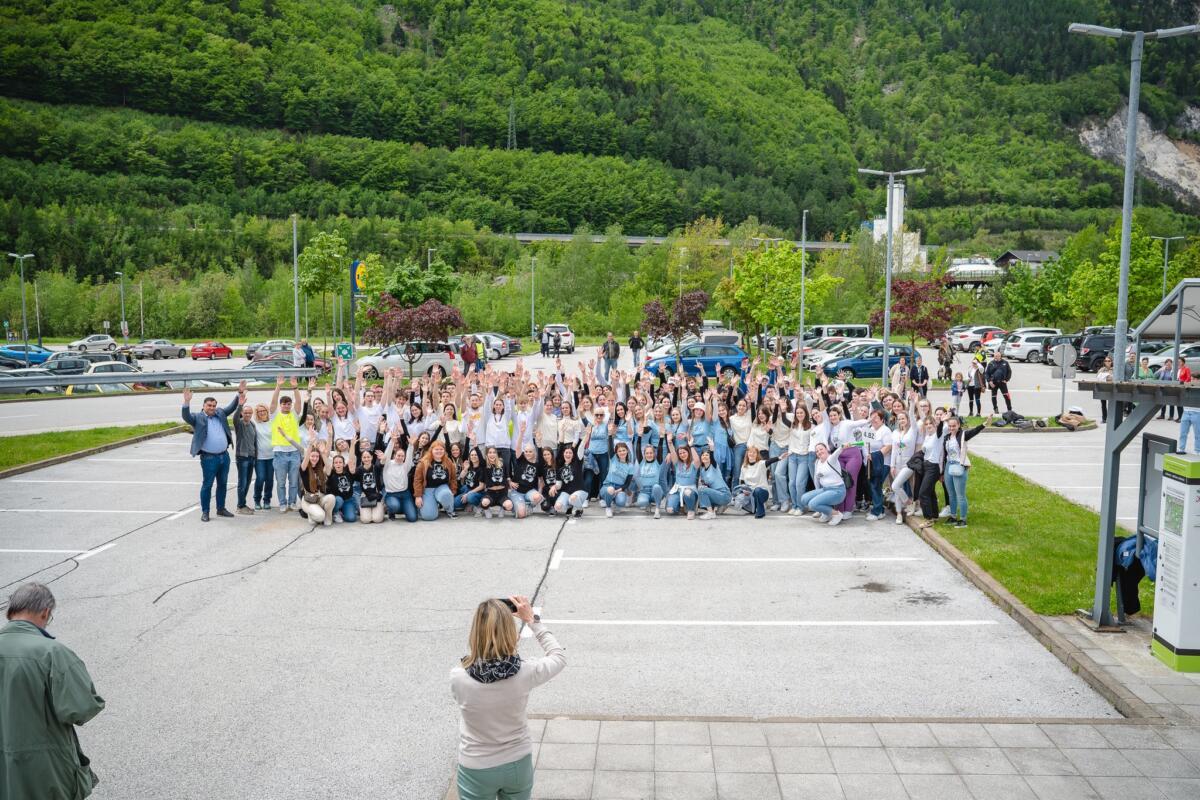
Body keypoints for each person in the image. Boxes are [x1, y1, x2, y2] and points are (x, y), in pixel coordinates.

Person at [450, 596, 565, 800]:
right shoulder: (526, 672)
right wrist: (532, 620)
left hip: (476, 765)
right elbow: (558, 656)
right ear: (512, 634)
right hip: (517, 762)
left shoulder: (459, 677)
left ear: (476, 633)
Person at [0, 583, 106, 799]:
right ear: (45, 612)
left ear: (10, 612)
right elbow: (80, 709)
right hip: (44, 768)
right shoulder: (52, 653)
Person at [182, 382, 246, 522]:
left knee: (222, 484)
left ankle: (221, 509)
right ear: (204, 406)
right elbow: (186, 417)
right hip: (209, 458)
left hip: (224, 456)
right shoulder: (198, 417)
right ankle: (205, 512)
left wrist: (239, 393)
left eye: (213, 405)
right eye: (209, 405)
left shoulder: (220, 413)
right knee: (208, 485)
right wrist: (186, 402)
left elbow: (232, 406)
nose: (212, 408)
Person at [943, 414, 988, 528]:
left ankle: (963, 519)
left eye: (954, 426)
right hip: (949, 465)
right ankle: (953, 517)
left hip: (959, 465)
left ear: (958, 425)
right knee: (951, 494)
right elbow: (945, 454)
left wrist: (984, 424)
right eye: (950, 426)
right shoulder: (947, 437)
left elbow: (975, 431)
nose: (952, 428)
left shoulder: (963, 435)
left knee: (960, 495)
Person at [269, 377, 303, 513]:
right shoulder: (275, 415)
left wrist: (295, 388)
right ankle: (283, 503)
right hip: (279, 453)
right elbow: (272, 404)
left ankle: (292, 502)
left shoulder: (294, 415)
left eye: (288, 404)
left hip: (294, 452)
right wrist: (278, 386)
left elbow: (299, 403)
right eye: (284, 404)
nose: (286, 406)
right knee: (281, 482)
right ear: (281, 405)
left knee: (294, 482)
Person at [800, 442, 847, 525]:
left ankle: (836, 514)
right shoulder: (818, 462)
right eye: (817, 451)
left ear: (827, 449)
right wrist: (817, 494)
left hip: (837, 491)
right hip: (825, 489)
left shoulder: (831, 459)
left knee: (812, 504)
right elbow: (816, 479)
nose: (819, 452)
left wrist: (842, 446)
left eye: (821, 449)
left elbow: (837, 452)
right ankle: (827, 513)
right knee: (804, 499)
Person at [233, 402, 257, 515]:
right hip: (242, 457)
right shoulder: (239, 424)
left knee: (247, 482)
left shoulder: (252, 424)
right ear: (242, 413)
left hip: (251, 457)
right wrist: (240, 405)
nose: (247, 415)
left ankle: (242, 504)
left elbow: (254, 442)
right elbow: (235, 418)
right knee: (242, 482)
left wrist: (255, 456)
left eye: (249, 413)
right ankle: (240, 506)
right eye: (245, 412)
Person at [1097, 356, 1114, 423]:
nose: (1107, 362)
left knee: (1111, 404)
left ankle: (1111, 419)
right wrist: (1108, 377)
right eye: (1106, 361)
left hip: (1111, 388)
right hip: (1103, 388)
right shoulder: (1102, 369)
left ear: (1111, 362)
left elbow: (1114, 378)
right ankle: (1104, 418)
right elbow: (1098, 377)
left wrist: (1104, 377)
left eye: (1109, 361)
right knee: (1103, 404)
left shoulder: (1114, 369)